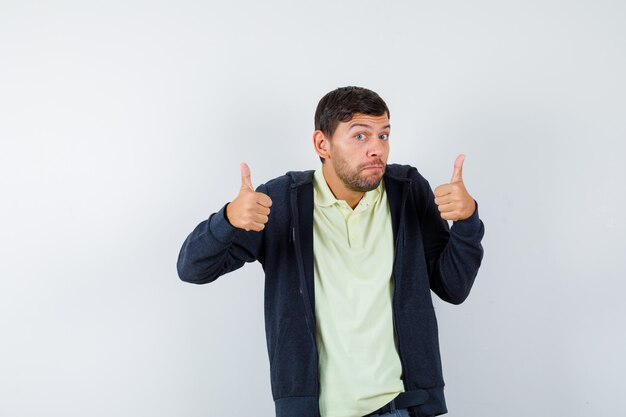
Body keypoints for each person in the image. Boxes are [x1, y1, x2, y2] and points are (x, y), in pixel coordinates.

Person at [177, 86, 485, 417]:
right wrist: (228, 220)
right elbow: (193, 269)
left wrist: (466, 221)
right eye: (360, 137)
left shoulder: (408, 191)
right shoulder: (282, 201)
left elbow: (453, 287)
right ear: (322, 144)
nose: (376, 150)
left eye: (383, 136)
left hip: (400, 407)